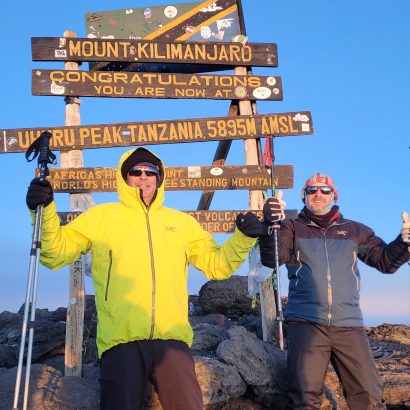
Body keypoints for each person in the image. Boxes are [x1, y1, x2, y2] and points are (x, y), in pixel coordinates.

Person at [26, 147, 266, 410]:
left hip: (172, 341)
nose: (143, 176)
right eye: (135, 171)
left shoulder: (181, 223)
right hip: (120, 340)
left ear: (159, 177)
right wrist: (44, 210)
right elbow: (55, 253)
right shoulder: (100, 218)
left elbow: (217, 266)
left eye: (150, 171)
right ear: (125, 177)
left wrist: (243, 238)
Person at [259, 172, 410, 410]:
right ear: (304, 196)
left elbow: (385, 262)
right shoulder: (291, 227)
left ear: (334, 196)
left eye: (324, 190)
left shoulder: (356, 231)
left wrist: (404, 244)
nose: (318, 194)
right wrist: (271, 225)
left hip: (348, 323)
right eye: (311, 190)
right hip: (306, 323)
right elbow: (272, 258)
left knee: (369, 395)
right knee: (305, 398)